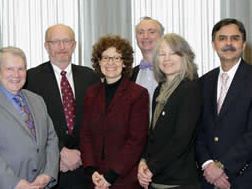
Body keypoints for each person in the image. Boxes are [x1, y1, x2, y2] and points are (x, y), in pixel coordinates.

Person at [0, 47, 59, 189]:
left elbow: (51, 140)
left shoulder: (37, 100)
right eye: (9, 69)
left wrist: (48, 174)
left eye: (21, 69)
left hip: (38, 185)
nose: (16, 75)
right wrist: (14, 183)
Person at [196, 18, 252, 189]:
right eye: (222, 38)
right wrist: (208, 165)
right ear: (213, 45)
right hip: (209, 180)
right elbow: (198, 130)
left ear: (244, 44)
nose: (228, 43)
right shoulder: (203, 82)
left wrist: (222, 166)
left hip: (247, 178)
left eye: (235, 38)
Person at [25, 24, 100, 189]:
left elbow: (98, 122)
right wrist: (59, 152)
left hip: (86, 168)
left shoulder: (91, 77)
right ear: (46, 46)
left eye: (66, 41)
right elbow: (28, 125)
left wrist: (82, 154)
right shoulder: (30, 79)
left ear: (74, 45)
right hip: (49, 169)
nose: (61, 46)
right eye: (55, 42)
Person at [80, 35, 149, 189]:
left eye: (116, 58)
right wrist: (91, 170)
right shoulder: (91, 93)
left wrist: (111, 175)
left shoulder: (138, 94)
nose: (110, 63)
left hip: (124, 180)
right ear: (99, 62)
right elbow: (85, 135)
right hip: (95, 179)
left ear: (124, 62)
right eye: (105, 58)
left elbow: (136, 140)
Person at [137, 33, 202, 189]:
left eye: (173, 53)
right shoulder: (160, 90)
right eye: (161, 54)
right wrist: (143, 161)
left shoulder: (190, 88)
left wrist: (151, 168)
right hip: (157, 178)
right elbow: (153, 134)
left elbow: (180, 140)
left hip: (178, 180)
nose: (167, 58)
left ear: (185, 57)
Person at [131, 17, 164, 122]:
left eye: (151, 32)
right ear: (136, 39)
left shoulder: (173, 73)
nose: (145, 37)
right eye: (141, 32)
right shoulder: (128, 75)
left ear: (161, 37)